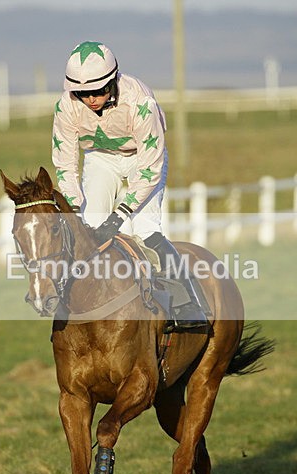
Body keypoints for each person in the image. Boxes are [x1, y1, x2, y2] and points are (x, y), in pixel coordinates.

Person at [51, 40, 207, 331]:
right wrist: (72, 206)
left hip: (143, 159)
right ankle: (75, 301)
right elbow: (66, 164)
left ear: (112, 81)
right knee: (90, 226)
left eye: (97, 91)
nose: (91, 99)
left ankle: (189, 303)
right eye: (83, 93)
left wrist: (120, 214)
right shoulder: (65, 107)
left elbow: (150, 168)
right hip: (100, 158)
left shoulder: (140, 102)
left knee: (144, 230)